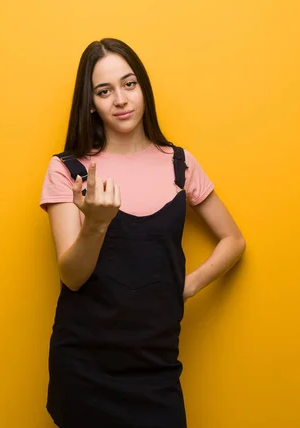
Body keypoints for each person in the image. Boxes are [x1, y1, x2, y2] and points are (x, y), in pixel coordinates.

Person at [39, 38, 246, 428]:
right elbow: (71, 275)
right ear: (91, 104)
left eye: (129, 84)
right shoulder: (68, 170)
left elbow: (233, 240)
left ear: (143, 88)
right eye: (105, 91)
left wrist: (188, 284)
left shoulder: (180, 164)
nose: (120, 99)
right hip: (85, 370)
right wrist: (96, 224)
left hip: (156, 366)